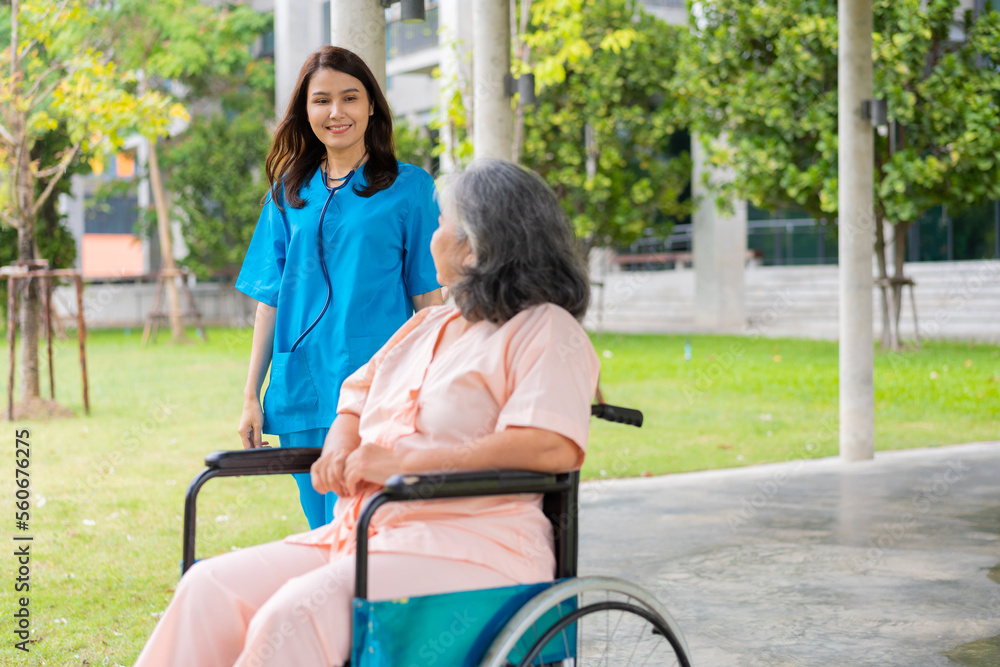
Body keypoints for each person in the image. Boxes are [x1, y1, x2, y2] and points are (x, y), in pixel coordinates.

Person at [133, 159, 599, 667]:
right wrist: (339, 443)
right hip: (366, 532)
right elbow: (357, 394)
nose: (432, 237)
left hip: (472, 548)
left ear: (476, 245)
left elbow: (548, 444)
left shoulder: (545, 330)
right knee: (210, 586)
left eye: (441, 223)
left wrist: (400, 462)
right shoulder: (430, 325)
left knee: (290, 617)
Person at [235, 46, 443, 529]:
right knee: (323, 529)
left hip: (378, 387)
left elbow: (429, 301)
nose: (336, 112)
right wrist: (251, 394)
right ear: (305, 112)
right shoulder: (288, 190)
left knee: (367, 526)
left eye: (350, 98)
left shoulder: (410, 188)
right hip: (300, 388)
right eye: (321, 100)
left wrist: (434, 382)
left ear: (372, 106)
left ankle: (367, 607)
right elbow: (270, 300)